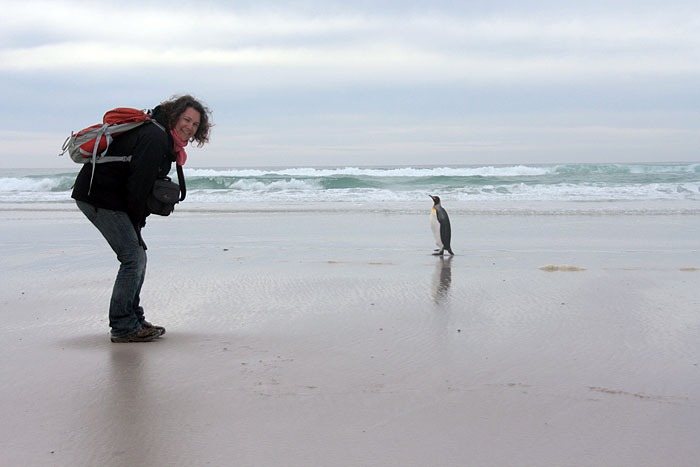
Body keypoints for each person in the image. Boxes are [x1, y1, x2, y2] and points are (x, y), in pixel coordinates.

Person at [72, 95, 212, 342]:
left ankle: (133, 318)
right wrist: (136, 221)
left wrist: (136, 222)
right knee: (132, 257)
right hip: (98, 197)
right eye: (186, 120)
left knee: (137, 256)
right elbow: (138, 186)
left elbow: (137, 185)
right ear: (175, 116)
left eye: (194, 124)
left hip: (110, 197)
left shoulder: (162, 138)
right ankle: (124, 327)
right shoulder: (156, 138)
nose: (189, 127)